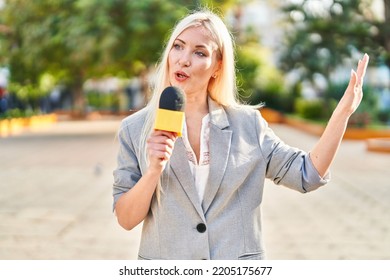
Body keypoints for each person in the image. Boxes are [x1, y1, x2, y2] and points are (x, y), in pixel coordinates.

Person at [112, 9, 369, 260]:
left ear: (217, 66)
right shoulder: (135, 129)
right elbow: (126, 218)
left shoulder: (248, 125)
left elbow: (307, 175)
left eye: (199, 52)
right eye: (178, 46)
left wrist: (342, 113)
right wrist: (153, 171)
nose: (184, 59)